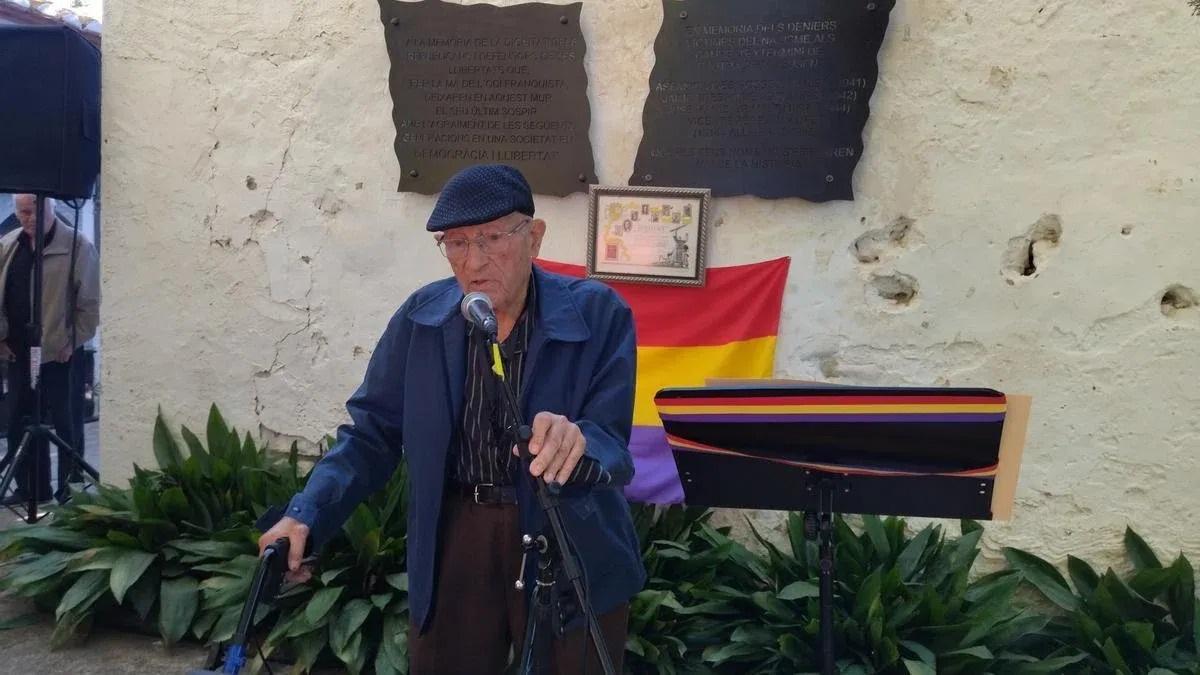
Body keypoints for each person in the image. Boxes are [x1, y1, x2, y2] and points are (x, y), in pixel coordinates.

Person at [259, 165, 646, 673]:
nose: (474, 261)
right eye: (456, 243)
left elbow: (612, 440)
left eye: (490, 238)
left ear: (534, 237)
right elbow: (370, 434)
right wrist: (307, 513)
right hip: (458, 531)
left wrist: (578, 443)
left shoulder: (599, 314)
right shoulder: (423, 319)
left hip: (567, 530)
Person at [0, 194, 100, 504]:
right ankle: (31, 488)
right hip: (18, 353)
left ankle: (69, 491)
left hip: (61, 353)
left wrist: (74, 340)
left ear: (48, 208)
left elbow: (90, 305)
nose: (26, 218)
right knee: (20, 422)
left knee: (66, 424)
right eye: (21, 212)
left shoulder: (78, 246)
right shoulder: (8, 245)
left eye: (31, 211)